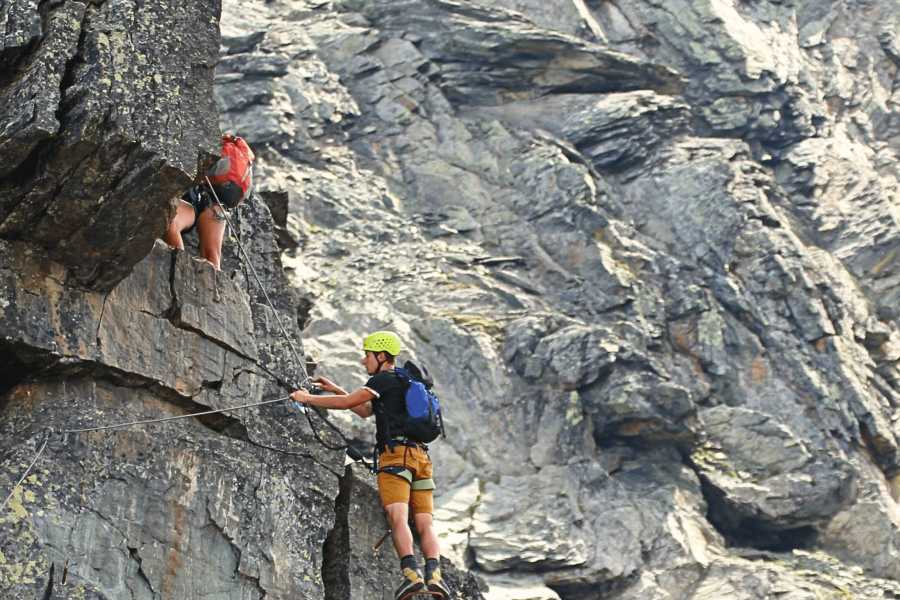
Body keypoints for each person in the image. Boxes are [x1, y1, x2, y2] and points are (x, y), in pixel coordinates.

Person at [290, 331, 451, 600]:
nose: (364, 361)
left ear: (381, 355)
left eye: (367, 355)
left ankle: (411, 575)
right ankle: (435, 576)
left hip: (396, 457)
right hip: (422, 459)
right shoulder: (404, 382)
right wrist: (335, 389)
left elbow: (347, 404)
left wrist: (307, 398)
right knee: (425, 523)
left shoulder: (382, 379)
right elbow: (365, 410)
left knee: (398, 517)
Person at [163, 183, 226, 270]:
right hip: (189, 203)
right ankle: (180, 270)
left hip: (206, 201)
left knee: (212, 257)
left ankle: (181, 271)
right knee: (170, 218)